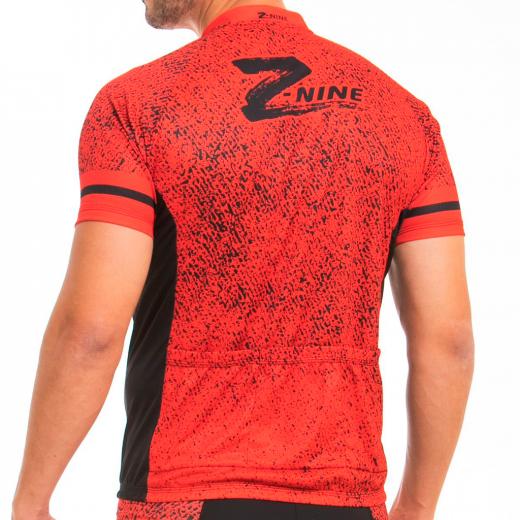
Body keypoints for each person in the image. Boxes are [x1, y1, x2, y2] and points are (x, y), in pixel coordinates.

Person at [11, 1, 475, 519]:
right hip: (349, 495)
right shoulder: (403, 116)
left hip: (182, 491)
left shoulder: (138, 105)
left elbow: (91, 331)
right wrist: (416, 508)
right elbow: (448, 340)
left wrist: (31, 501)